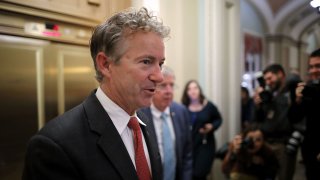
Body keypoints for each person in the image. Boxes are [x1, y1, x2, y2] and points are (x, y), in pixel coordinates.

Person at [22, 7, 170, 180]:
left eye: (160, 63)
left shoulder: (144, 123)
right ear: (105, 65)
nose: (159, 76)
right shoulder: (54, 146)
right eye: (146, 61)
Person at [139, 65, 192, 180]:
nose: (169, 91)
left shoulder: (181, 112)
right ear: (152, 87)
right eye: (163, 85)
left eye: (172, 85)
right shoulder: (139, 115)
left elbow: (187, 153)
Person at [252, 64, 295, 180]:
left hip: (283, 145)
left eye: (270, 78)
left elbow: (282, 120)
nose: (268, 82)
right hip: (267, 143)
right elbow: (259, 119)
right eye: (265, 80)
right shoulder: (269, 95)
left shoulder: (291, 92)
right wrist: (258, 106)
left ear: (280, 74)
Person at [288, 48, 320, 180]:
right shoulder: (309, 89)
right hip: (311, 151)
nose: (313, 70)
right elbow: (294, 118)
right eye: (311, 67)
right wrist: (298, 100)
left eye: (318, 66)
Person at [181, 80, 223, 180]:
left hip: (205, 145)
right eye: (189, 89)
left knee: (199, 173)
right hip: (189, 146)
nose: (193, 91)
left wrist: (212, 126)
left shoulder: (209, 106)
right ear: (186, 92)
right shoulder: (183, 108)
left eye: (195, 88)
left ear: (200, 90)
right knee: (189, 173)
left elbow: (219, 119)